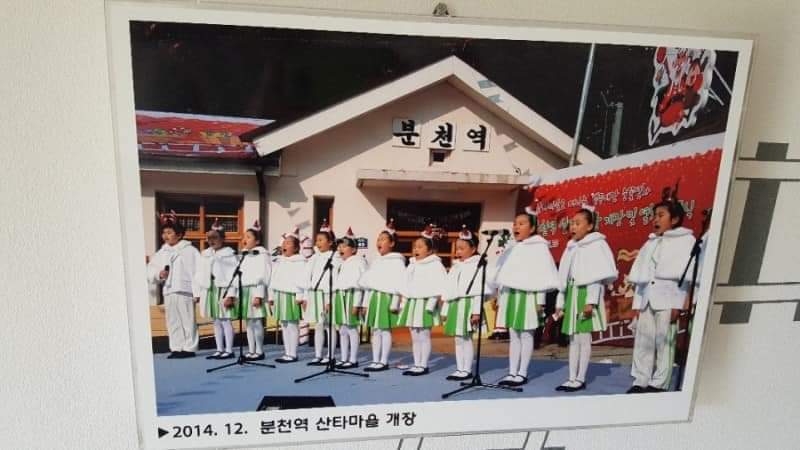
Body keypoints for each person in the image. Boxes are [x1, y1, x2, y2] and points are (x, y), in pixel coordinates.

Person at [627, 184, 695, 393]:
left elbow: (687, 278)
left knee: (664, 341)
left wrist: (680, 304)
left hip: (668, 299)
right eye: (654, 216)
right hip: (647, 298)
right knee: (643, 341)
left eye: (661, 215)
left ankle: (659, 383)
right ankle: (641, 379)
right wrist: (637, 304)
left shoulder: (686, 241)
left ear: (674, 219)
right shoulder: (650, 243)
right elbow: (641, 276)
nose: (655, 220)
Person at [491, 207, 559, 387]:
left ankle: (522, 372)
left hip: (529, 297)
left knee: (527, 335)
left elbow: (543, 276)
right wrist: (501, 296)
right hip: (512, 296)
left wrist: (540, 301)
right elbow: (504, 274)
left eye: (521, 224)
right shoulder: (513, 248)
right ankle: (512, 372)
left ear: (532, 228)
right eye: (515, 224)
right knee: (514, 335)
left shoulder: (539, 247)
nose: (516, 227)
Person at [554, 206, 618, 392]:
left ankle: (580, 378)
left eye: (578, 223)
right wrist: (560, 302)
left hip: (585, 296)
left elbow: (596, 276)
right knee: (573, 339)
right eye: (572, 223)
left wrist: (590, 301)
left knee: (584, 338)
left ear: (589, 226)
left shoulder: (596, 245)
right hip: (572, 294)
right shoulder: (571, 247)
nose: (573, 227)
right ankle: (571, 377)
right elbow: (563, 278)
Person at [146, 211, 200, 358]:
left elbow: (196, 272)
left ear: (179, 234)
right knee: (173, 321)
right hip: (169, 290)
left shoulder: (189, 250)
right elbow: (150, 268)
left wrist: (197, 292)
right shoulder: (162, 252)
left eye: (169, 232)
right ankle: (176, 347)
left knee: (187, 320)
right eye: (164, 233)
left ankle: (189, 348)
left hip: (185, 290)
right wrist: (159, 274)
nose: (166, 235)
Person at [397, 224, 447, 376]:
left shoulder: (435, 265)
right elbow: (405, 284)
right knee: (414, 336)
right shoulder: (412, 265)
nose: (416, 249)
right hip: (413, 303)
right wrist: (403, 302)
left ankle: (423, 365)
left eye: (420, 247)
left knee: (424, 335)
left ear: (430, 250)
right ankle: (416, 363)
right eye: (414, 247)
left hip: (426, 304)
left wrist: (432, 304)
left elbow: (439, 286)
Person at [358, 219, 406, 372]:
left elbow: (399, 284)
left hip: (387, 299)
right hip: (374, 298)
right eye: (378, 239)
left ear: (392, 243)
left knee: (385, 330)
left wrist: (395, 303)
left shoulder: (397, 261)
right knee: (375, 330)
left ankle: (383, 361)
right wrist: (365, 303)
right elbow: (369, 284)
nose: (379, 242)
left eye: (383, 239)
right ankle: (375, 360)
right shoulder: (376, 261)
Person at [441, 225, 482, 381]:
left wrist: (476, 312)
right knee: (458, 339)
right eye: (457, 248)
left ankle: (467, 369)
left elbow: (478, 291)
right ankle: (460, 368)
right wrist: (445, 310)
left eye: (462, 248)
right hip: (455, 305)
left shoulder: (477, 265)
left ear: (473, 249)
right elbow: (449, 290)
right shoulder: (456, 267)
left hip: (467, 306)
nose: (458, 251)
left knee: (466, 338)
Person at [193, 219, 239, 360]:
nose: (211, 241)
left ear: (222, 239)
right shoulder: (205, 254)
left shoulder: (229, 254)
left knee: (225, 320)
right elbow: (198, 273)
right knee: (216, 320)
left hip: (223, 290)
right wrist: (197, 292)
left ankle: (229, 350)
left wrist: (231, 295)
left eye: (215, 237)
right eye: (209, 238)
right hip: (210, 289)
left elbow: (234, 276)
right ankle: (219, 349)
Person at [332, 227, 368, 368]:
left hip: (351, 297)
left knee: (352, 329)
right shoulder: (340, 263)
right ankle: (343, 358)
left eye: (344, 246)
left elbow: (360, 285)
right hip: (340, 298)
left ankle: (353, 359)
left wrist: (357, 304)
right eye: (339, 246)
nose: (340, 248)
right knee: (342, 330)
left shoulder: (358, 262)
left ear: (353, 249)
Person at [269, 227, 306, 363]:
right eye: (284, 243)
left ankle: (293, 353)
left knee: (292, 324)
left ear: (296, 248)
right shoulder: (279, 261)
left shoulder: (300, 262)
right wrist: (271, 296)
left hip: (292, 296)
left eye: (289, 243)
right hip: (280, 295)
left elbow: (302, 280)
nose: (285, 245)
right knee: (284, 325)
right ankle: (287, 352)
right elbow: (273, 279)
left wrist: (300, 296)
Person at [239, 220, 271, 361]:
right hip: (245, 291)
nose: (245, 239)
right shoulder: (244, 255)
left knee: (257, 321)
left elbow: (264, 276)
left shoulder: (262, 255)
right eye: (244, 237)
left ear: (257, 241)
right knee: (248, 322)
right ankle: (250, 350)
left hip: (255, 290)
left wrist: (259, 295)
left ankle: (259, 351)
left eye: (248, 237)